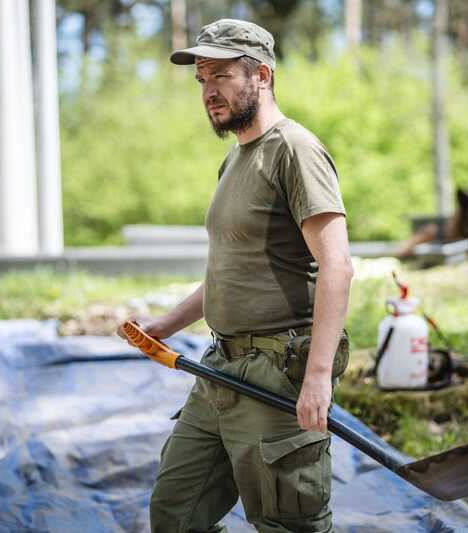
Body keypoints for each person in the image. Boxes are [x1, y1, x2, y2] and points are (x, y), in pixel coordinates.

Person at [118, 18, 353, 533]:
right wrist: (166, 325)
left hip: (277, 370)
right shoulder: (235, 160)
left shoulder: (295, 150)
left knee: (287, 523)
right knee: (175, 514)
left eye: (221, 75)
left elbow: (337, 266)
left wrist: (317, 378)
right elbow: (230, 270)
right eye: (202, 79)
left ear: (261, 75)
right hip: (220, 368)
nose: (208, 91)